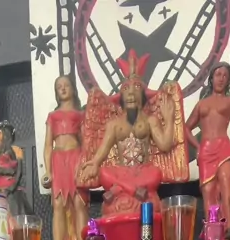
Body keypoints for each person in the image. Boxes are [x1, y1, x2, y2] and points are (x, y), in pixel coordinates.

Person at [79, 50, 185, 213]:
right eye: (126, 89)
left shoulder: (150, 121)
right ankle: (134, 190)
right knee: (105, 173)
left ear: (142, 95)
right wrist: (94, 163)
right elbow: (103, 151)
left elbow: (165, 145)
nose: (131, 94)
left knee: (155, 173)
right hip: (122, 172)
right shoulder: (114, 124)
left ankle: (120, 189)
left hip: (143, 172)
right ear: (121, 97)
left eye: (136, 89)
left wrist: (169, 119)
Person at [185, 62, 230, 231]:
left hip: (224, 148)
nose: (221, 78)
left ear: (228, 80)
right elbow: (186, 127)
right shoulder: (202, 104)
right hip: (206, 151)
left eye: (225, 75)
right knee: (208, 190)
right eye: (218, 74)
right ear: (211, 78)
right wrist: (197, 146)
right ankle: (213, 229)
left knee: (226, 183)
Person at [43, 75, 88, 240]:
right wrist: (48, 171)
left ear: (73, 89)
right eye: (59, 86)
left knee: (79, 203)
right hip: (58, 160)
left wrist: (84, 164)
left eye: (66, 85)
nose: (62, 88)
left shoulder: (80, 115)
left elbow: (86, 143)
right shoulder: (52, 116)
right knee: (58, 205)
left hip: (76, 158)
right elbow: (48, 146)